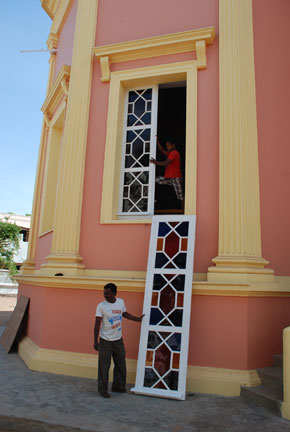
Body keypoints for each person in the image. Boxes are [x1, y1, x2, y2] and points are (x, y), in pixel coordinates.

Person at [94, 283, 144, 398]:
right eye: (104, 293)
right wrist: (95, 341)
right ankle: (103, 390)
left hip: (118, 340)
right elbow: (97, 323)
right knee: (104, 367)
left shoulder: (120, 302)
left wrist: (137, 319)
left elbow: (124, 313)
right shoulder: (101, 306)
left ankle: (119, 387)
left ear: (115, 293)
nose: (105, 295)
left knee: (121, 365)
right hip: (105, 341)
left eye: (108, 293)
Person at [150, 137, 184, 209]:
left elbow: (165, 163)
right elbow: (162, 150)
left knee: (180, 196)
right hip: (169, 178)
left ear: (173, 145)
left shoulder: (174, 153)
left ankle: (185, 211)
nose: (167, 147)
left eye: (168, 146)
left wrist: (155, 162)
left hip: (176, 178)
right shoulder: (171, 153)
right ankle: (150, 200)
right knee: (155, 180)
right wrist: (157, 141)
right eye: (167, 146)